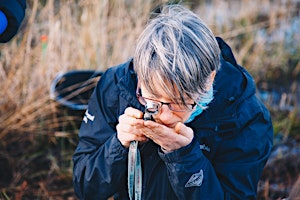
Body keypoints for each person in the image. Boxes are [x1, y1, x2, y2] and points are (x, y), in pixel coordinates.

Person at [73, 4, 273, 200]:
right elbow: (85, 188)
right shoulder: (116, 87)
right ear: (139, 74)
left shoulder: (247, 119)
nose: (164, 116)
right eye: (152, 99)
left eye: (179, 102)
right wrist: (118, 145)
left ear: (209, 80)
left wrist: (185, 157)